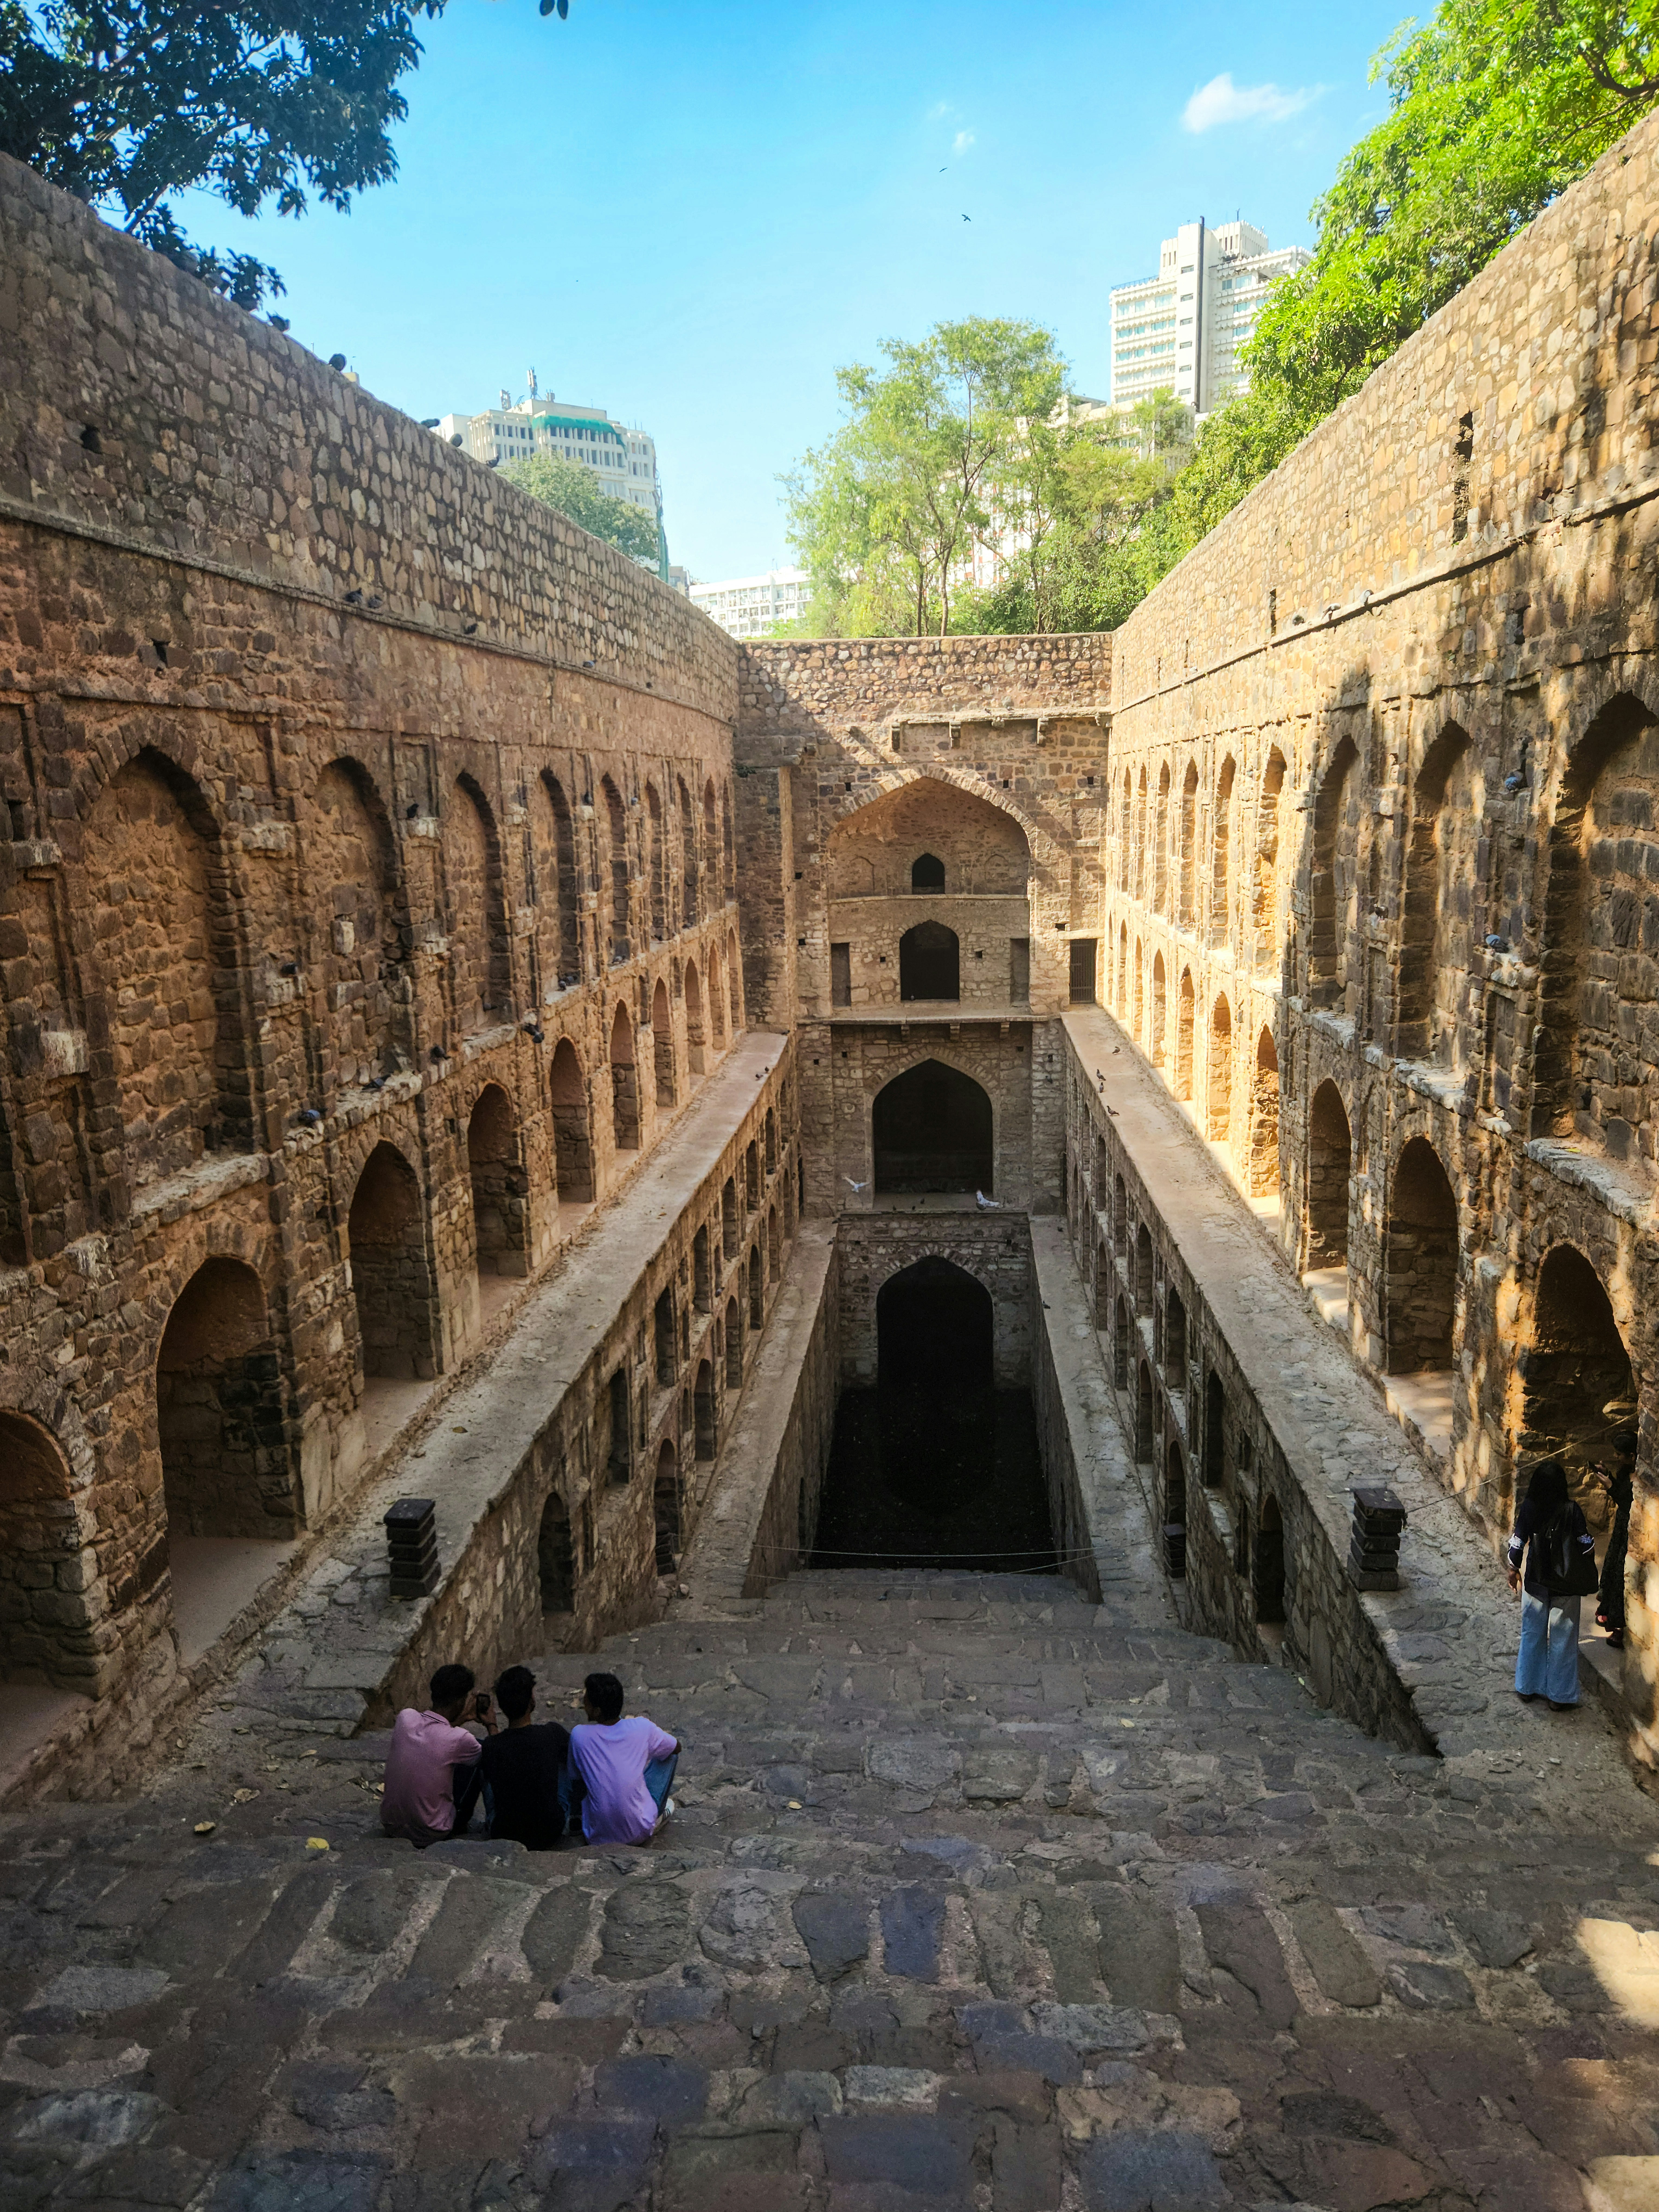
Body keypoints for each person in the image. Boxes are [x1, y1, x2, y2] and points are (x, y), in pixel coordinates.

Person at [1506, 1460, 1596, 1711]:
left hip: (1536, 1580)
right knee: (1564, 1639)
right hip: (1565, 1585)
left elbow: (1517, 1545)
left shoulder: (1530, 1508)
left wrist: (1514, 1570)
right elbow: (1587, 1545)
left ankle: (1527, 1687)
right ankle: (1559, 1696)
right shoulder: (1572, 1510)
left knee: (1532, 1634)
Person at [381, 1662, 497, 1846]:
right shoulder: (460, 1739)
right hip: (433, 1832)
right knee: (483, 1751)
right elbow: (496, 1756)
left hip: (392, 1826)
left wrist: (462, 1718)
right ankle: (494, 1821)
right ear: (461, 1701)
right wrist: (492, 1724)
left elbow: (437, 1737)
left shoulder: (406, 1718)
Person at [564, 1671, 679, 1845]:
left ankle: (576, 1822)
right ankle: (658, 1816)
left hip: (597, 1837)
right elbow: (676, 1747)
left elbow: (576, 1781)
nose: (584, 1703)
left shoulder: (580, 1735)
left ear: (597, 1711)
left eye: (586, 1700)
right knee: (670, 1755)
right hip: (640, 1831)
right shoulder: (642, 1727)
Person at [476, 1665, 570, 1851]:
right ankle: (577, 1821)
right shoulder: (552, 1734)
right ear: (532, 1702)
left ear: (502, 1706)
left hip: (504, 1832)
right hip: (551, 1830)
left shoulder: (491, 1746)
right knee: (567, 1757)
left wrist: (492, 1726)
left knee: (483, 1764)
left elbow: (497, 1750)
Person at [1595, 1427, 1638, 1650]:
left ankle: (1620, 1627)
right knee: (1613, 1571)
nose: (1616, 1458)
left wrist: (1612, 1488)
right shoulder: (1624, 1472)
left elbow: (1630, 1502)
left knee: (1623, 1576)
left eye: (1620, 1454)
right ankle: (1608, 1614)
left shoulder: (1640, 1478)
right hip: (1621, 1529)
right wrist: (1610, 1477)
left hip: (1631, 1532)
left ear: (1632, 1456)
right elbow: (1622, 1494)